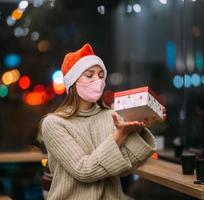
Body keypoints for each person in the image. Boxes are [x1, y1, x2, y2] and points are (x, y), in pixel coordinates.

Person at [40, 43, 166, 199]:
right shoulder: (54, 123)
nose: (97, 80)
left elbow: (124, 170)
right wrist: (119, 135)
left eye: (101, 75)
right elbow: (84, 170)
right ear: (72, 81)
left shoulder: (111, 116)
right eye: (89, 75)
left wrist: (136, 129)